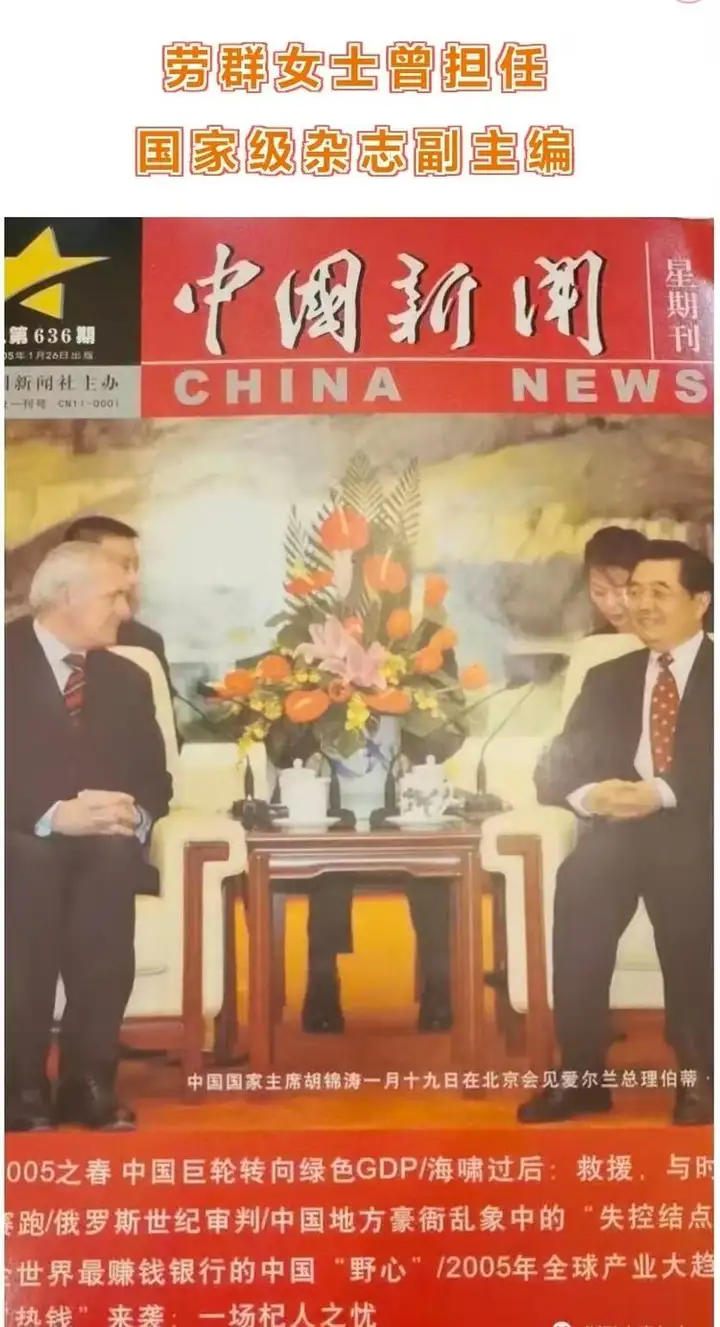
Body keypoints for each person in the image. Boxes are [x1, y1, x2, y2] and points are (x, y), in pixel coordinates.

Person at [518, 540, 712, 1126]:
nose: (642, 605)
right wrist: (591, 796)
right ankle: (582, 1075)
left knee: (688, 885)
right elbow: (553, 769)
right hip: (618, 829)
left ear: (700, 601)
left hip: (700, 829)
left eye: (660, 592)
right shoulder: (608, 677)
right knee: (580, 884)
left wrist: (663, 792)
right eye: (635, 592)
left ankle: (699, 1072)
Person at [5, 542, 172, 1132]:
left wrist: (133, 814)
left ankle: (89, 1082)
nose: (125, 610)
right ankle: (19, 1085)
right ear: (66, 597)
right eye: (114, 596)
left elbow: (155, 779)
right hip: (13, 838)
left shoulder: (128, 678)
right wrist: (51, 815)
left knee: (111, 861)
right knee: (27, 863)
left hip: (99, 847)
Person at [63, 516, 172, 688]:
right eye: (123, 566)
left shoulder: (145, 643)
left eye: (136, 567)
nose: (133, 579)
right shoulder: (23, 643)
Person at [583, 525, 649, 634]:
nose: (610, 604)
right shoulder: (595, 641)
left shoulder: (672, 638)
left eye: (620, 593)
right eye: (599, 593)